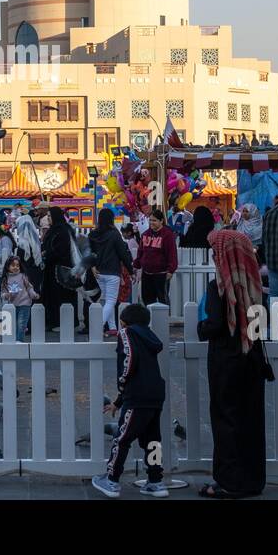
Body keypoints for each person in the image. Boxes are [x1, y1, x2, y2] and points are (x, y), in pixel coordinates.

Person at [197, 226, 266, 499]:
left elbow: (214, 325)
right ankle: (252, 479)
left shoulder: (220, 286)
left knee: (226, 418)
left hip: (227, 359)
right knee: (251, 418)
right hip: (252, 358)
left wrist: (202, 328)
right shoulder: (254, 283)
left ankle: (228, 480)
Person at [91, 303, 168, 498]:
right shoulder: (150, 336)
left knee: (122, 438)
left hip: (137, 395)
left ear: (124, 322)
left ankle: (111, 479)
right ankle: (156, 481)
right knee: (153, 440)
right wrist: (118, 402)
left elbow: (129, 359)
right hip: (155, 394)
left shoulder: (126, 333)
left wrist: (122, 385)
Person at [87, 207, 135, 336]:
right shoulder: (114, 234)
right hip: (112, 271)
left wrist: (92, 266)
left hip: (99, 272)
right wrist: (130, 271)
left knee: (106, 300)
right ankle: (98, 327)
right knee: (111, 301)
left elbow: (89, 252)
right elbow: (123, 254)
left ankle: (113, 327)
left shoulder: (93, 234)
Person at [41, 206, 81, 332]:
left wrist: (47, 254)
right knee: (52, 296)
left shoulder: (63, 230)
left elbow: (61, 250)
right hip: (51, 269)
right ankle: (53, 321)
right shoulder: (54, 230)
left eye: (49, 216)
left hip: (61, 269)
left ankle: (64, 322)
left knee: (63, 296)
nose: (48, 218)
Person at [133, 208, 178, 308]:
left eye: (154, 220)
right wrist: (136, 265)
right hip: (147, 273)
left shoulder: (168, 235)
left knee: (162, 299)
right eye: (150, 220)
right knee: (146, 298)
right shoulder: (145, 234)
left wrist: (171, 270)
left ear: (161, 221)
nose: (151, 223)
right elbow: (140, 252)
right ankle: (150, 322)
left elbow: (172, 254)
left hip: (161, 273)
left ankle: (163, 321)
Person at [0, 254, 40, 338]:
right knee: (14, 325)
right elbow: (3, 292)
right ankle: (15, 342)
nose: (15, 267)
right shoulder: (5, 279)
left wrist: (33, 295)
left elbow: (29, 287)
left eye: (17, 265)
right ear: (7, 266)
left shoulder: (22, 276)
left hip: (25, 303)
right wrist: (6, 295)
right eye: (13, 265)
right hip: (13, 305)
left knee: (21, 324)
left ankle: (19, 342)